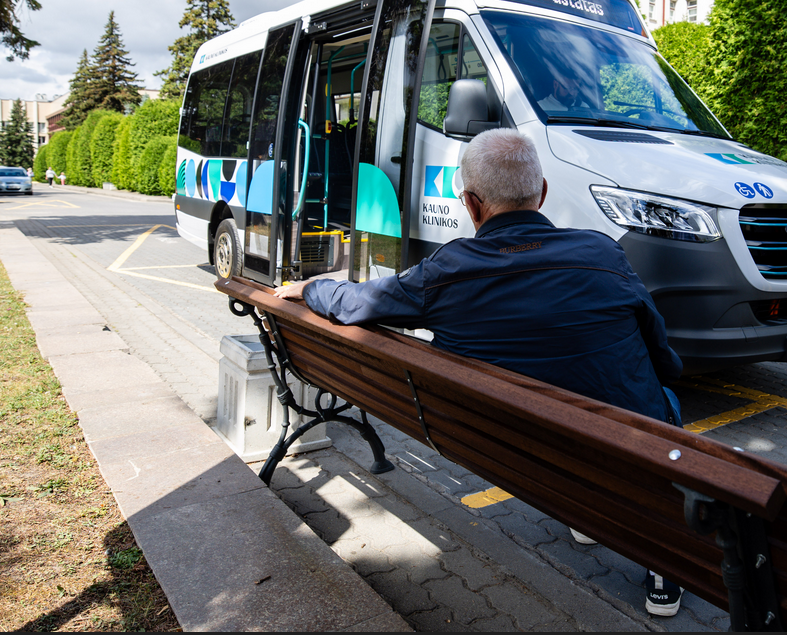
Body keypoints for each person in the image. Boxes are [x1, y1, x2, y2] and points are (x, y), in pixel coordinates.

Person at [275, 128, 684, 616]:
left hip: (502, 448)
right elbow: (661, 352)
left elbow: (361, 303)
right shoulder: (602, 253)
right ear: (543, 193)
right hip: (620, 442)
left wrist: (314, 288)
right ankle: (666, 560)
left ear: (470, 204)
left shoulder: (447, 271)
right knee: (659, 405)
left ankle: (581, 507)